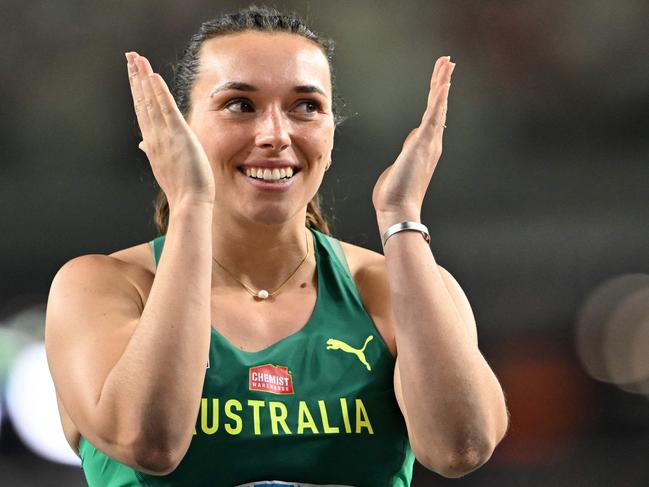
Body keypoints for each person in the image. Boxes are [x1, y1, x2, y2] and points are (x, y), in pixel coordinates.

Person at [45, 6, 508, 486]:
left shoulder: (390, 286)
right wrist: (189, 204)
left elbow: (461, 448)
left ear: (331, 131)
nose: (275, 135)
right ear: (178, 128)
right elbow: (149, 442)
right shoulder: (100, 287)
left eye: (305, 106)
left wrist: (401, 221)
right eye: (240, 105)